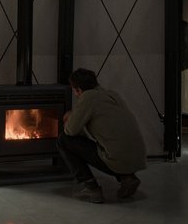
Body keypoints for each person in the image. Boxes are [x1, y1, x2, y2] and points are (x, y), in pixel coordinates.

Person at [57, 68, 146, 203]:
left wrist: (71, 116)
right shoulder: (112, 94)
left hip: (116, 159)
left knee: (63, 140)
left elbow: (70, 131)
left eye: (74, 91)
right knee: (112, 145)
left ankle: (92, 188)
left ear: (79, 90)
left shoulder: (88, 97)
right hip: (138, 157)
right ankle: (127, 178)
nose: (75, 94)